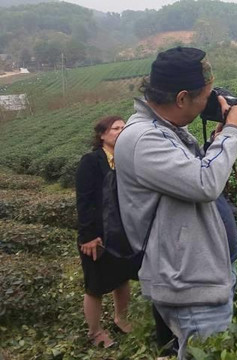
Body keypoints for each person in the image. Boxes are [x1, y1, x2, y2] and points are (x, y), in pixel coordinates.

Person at [114, 47, 237, 359]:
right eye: (205, 96)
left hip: (196, 276)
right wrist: (232, 130)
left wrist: (218, 140)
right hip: (187, 285)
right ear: (181, 99)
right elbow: (205, 183)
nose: (209, 103)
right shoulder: (144, 139)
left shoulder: (166, 130)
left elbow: (189, 177)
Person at [76, 115, 136, 348]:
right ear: (102, 134)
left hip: (119, 231)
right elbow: (84, 200)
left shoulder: (124, 159)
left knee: (121, 278)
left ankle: (121, 318)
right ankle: (95, 332)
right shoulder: (91, 161)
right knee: (96, 285)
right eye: (115, 128)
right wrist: (88, 236)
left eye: (124, 127)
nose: (121, 131)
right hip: (97, 233)